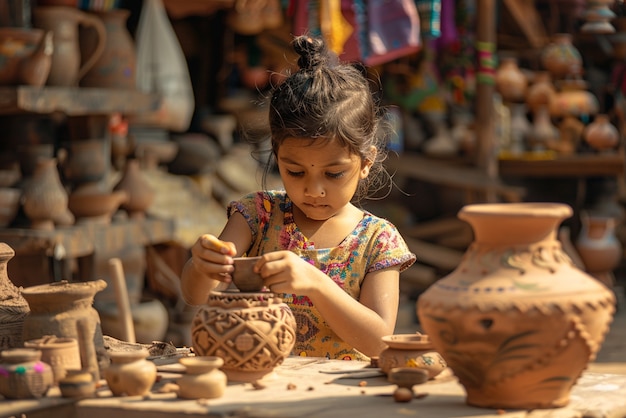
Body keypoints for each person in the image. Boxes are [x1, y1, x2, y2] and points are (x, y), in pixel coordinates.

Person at [180, 35, 416, 361]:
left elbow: (379, 342)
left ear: (366, 162)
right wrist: (202, 266)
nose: (313, 190)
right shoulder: (258, 215)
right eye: (295, 172)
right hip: (261, 384)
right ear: (277, 157)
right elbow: (197, 296)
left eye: (333, 174)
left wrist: (315, 284)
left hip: (343, 399)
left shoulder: (378, 240)